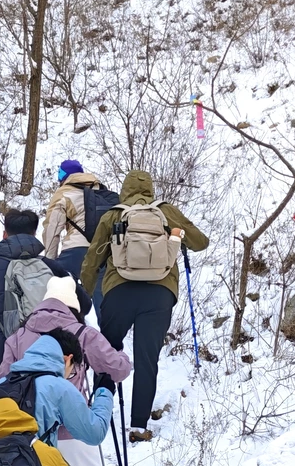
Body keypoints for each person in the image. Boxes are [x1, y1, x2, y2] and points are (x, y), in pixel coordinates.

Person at [80, 171, 209, 443]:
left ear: (124, 190)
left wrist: (84, 298)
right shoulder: (165, 212)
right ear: (150, 189)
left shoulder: (113, 215)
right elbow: (201, 242)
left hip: (119, 291)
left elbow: (92, 261)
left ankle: (100, 410)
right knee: (147, 359)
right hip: (159, 294)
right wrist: (179, 236)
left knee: (107, 351)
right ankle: (138, 425)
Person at [0, 276, 131, 466]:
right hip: (75, 429)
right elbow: (118, 370)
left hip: (28, 436)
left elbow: (1, 382)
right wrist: (119, 356)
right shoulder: (83, 334)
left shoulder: (17, 336)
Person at [0, 209, 80, 372]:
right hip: (57, 362)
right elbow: (84, 305)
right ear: (34, 234)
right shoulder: (51, 266)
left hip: (10, 363)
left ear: (5, 235)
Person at [1, 331, 113, 453]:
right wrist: (105, 392)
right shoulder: (58, 387)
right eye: (71, 372)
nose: (67, 377)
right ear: (67, 359)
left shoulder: (3, 383)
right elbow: (94, 433)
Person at [42, 160, 113, 313]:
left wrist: (49, 260)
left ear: (63, 175)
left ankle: (64, 326)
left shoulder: (63, 192)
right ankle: (106, 335)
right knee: (101, 298)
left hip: (76, 251)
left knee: (58, 289)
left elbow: (52, 229)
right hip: (103, 251)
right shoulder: (100, 190)